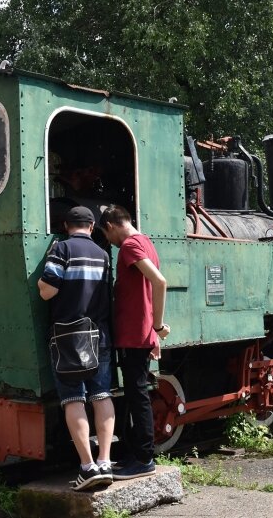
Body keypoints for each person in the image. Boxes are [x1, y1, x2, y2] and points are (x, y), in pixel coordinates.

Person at [37, 206, 116, 491]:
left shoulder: (62, 250)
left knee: (73, 399)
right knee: (101, 395)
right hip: (100, 336)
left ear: (66, 225)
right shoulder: (103, 254)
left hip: (68, 337)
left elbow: (48, 290)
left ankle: (87, 467)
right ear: (92, 226)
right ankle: (106, 461)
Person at [99, 204, 170, 480]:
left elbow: (159, 282)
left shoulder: (129, 246)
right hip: (138, 334)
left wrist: (157, 327)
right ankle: (135, 454)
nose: (109, 242)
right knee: (134, 395)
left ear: (111, 226)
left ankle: (144, 459)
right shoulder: (145, 242)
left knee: (137, 396)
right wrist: (153, 334)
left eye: (106, 235)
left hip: (134, 334)